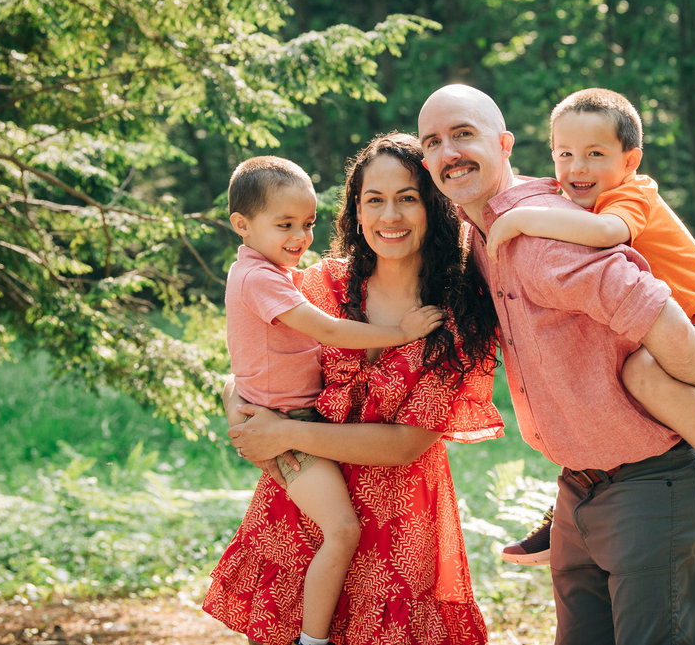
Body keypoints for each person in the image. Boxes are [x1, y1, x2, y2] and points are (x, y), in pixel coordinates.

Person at [418, 84, 695, 645]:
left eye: (463, 134)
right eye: (433, 141)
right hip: (582, 490)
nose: (448, 151)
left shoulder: (541, 233)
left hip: (650, 484)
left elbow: (663, 317)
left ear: (504, 144)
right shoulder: (481, 234)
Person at [204, 133, 503, 645]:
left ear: (434, 206)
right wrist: (243, 417)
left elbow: (404, 445)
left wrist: (281, 435)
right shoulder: (319, 285)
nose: (391, 216)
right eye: (374, 200)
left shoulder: (457, 316)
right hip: (302, 513)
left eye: (407, 198)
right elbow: (251, 364)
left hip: (396, 526)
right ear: (356, 211)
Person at [484, 88, 695, 564]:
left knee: (639, 373)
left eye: (596, 154)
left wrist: (519, 219)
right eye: (565, 154)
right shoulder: (570, 199)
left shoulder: (630, 193)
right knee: (584, 364)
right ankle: (580, 497)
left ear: (630, 158)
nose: (577, 168)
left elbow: (606, 234)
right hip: (661, 332)